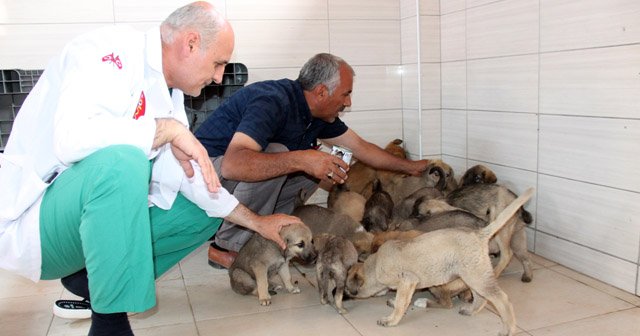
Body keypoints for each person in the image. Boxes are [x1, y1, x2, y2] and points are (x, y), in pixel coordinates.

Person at [0, 2, 300, 335]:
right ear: (189, 43)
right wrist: (166, 130)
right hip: (31, 224)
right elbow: (70, 139)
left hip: (78, 229)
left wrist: (259, 223)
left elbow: (194, 183)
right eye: (218, 63)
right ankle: (109, 324)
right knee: (122, 162)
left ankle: (87, 278)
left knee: (205, 207)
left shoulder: (167, 97)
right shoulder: (107, 51)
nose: (218, 77)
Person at [195, 53, 430, 269]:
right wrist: (302, 158)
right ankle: (225, 246)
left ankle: (269, 236)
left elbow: (361, 148)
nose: (348, 103)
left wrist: (412, 167)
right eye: (346, 94)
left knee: (316, 167)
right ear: (320, 92)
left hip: (230, 177)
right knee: (283, 155)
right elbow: (233, 165)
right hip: (203, 173)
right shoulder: (272, 101)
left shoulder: (317, 114)